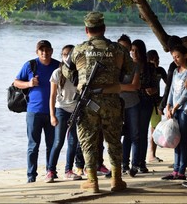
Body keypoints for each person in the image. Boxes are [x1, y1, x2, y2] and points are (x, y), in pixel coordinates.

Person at [62, 11, 133, 193]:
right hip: (112, 100)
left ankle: (92, 181)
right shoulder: (118, 49)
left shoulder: (78, 49)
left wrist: (79, 81)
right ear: (104, 28)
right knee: (114, 139)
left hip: (87, 101)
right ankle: (116, 180)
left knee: (87, 140)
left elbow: (66, 71)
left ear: (87, 29)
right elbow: (130, 72)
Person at [14, 40, 60, 183]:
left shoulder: (58, 66)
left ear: (52, 51)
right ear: (37, 52)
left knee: (52, 144)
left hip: (53, 111)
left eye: (47, 50)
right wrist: (29, 83)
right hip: (34, 112)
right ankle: (31, 176)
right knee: (33, 145)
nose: (44, 53)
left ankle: (50, 172)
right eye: (41, 50)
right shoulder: (30, 65)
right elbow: (16, 82)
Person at [45, 44, 82, 183]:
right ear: (62, 56)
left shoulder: (79, 72)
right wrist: (52, 115)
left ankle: (68, 170)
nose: (68, 57)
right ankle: (50, 170)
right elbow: (52, 96)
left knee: (73, 141)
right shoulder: (57, 72)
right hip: (61, 109)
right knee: (58, 141)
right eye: (65, 54)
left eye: (71, 55)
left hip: (76, 110)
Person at [131, 39, 157, 174]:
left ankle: (141, 162)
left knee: (143, 132)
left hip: (146, 102)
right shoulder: (128, 66)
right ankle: (132, 163)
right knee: (133, 133)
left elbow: (155, 85)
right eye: (132, 50)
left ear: (142, 51)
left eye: (136, 50)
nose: (134, 53)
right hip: (132, 102)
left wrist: (152, 90)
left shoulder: (149, 67)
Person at [161, 45, 187, 181]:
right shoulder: (176, 71)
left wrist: (175, 107)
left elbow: (185, 94)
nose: (175, 59)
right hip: (175, 110)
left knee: (183, 141)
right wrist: (168, 106)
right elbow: (171, 90)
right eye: (173, 57)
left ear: (185, 55)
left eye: (178, 56)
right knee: (175, 140)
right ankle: (175, 170)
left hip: (184, 111)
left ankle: (181, 170)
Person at [118, 35, 141, 177]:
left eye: (127, 48)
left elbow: (135, 86)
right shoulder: (113, 65)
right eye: (121, 48)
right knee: (119, 136)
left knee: (135, 135)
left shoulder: (135, 65)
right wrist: (124, 86)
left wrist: (118, 86)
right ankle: (122, 165)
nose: (124, 51)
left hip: (133, 104)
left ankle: (135, 165)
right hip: (117, 105)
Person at [147, 50, 167, 163]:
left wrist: (163, 99)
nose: (156, 62)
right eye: (153, 60)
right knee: (142, 130)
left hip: (156, 104)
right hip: (145, 103)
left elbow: (168, 84)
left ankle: (152, 155)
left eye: (157, 59)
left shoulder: (160, 70)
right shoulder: (145, 70)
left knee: (155, 129)